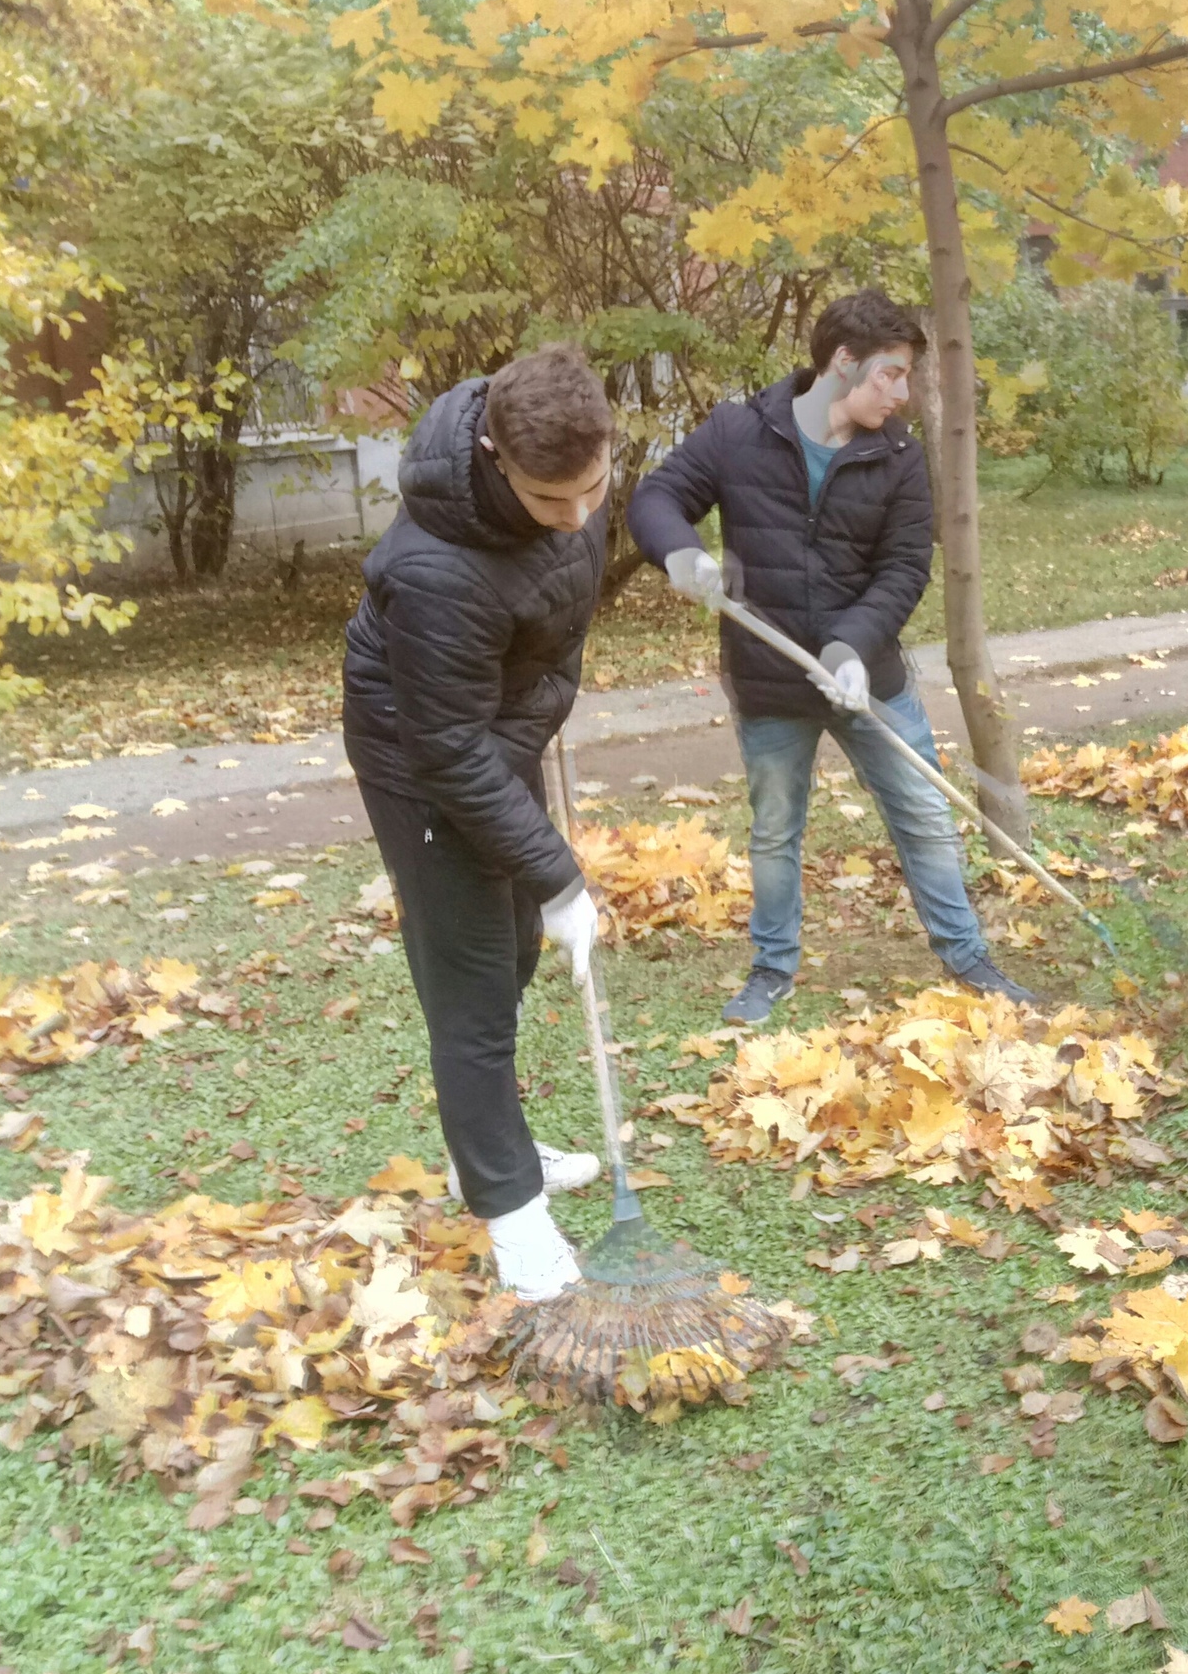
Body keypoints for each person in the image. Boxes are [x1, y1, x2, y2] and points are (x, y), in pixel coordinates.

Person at [627, 289, 1036, 1026]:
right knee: (775, 828)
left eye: (906, 376)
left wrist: (851, 649)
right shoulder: (734, 434)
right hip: (770, 678)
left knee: (923, 813)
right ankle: (771, 969)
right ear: (843, 365)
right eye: (890, 373)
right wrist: (680, 554)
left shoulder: (899, 459)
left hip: (867, 677)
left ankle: (966, 954)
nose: (902, 392)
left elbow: (904, 569)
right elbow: (656, 496)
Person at [341, 345, 616, 1301]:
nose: (579, 517)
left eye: (593, 489)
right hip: (422, 758)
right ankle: (509, 1209)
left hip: (496, 727)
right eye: (552, 503)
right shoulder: (435, 571)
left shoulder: (571, 468)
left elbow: (546, 623)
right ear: (496, 457)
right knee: (469, 987)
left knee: (513, 952)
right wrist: (561, 876)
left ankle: (483, 1144)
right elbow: (448, 756)